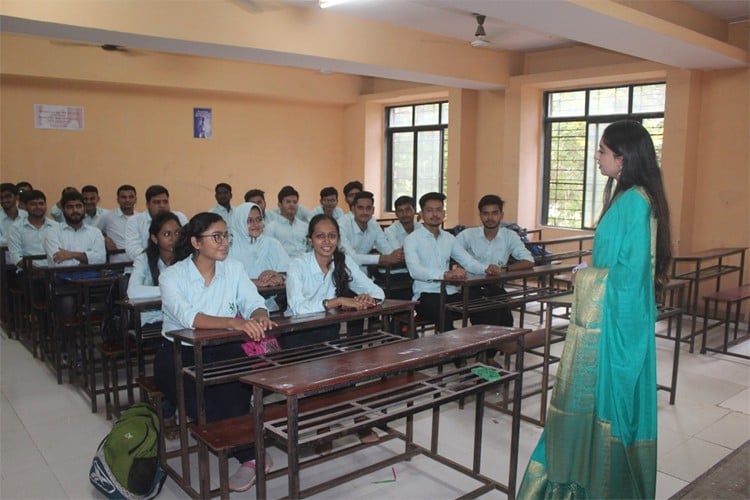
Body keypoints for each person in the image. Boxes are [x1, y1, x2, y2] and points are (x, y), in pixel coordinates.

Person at [518, 120, 671, 499]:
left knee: (602, 408)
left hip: (612, 329)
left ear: (623, 158)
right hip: (611, 318)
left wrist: (587, 279)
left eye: (602, 150)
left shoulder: (635, 202)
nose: (597, 156)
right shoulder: (632, 196)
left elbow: (629, 278)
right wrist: (591, 270)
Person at [154, 212, 276, 492]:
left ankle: (249, 457)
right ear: (196, 242)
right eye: (216, 237)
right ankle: (250, 453)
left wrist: (258, 315)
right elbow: (189, 318)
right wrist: (234, 322)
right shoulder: (172, 276)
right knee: (204, 403)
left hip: (222, 348)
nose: (224, 243)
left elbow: (253, 300)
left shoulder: (233, 268)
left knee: (234, 391)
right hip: (178, 352)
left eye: (226, 236)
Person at [403, 192, 502, 329]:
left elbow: (467, 261)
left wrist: (486, 268)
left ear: (443, 214)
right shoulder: (412, 239)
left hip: (451, 292)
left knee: (487, 308)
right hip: (426, 296)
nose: (435, 214)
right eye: (429, 210)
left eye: (438, 210)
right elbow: (415, 271)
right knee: (445, 316)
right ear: (421, 214)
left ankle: (483, 348)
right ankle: (454, 349)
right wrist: (444, 274)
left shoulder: (449, 238)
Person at [284, 213, 384, 348]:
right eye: (320, 236)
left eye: (332, 236)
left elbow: (377, 292)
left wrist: (369, 298)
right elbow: (298, 308)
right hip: (296, 332)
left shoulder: (343, 261)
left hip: (329, 329)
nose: (327, 241)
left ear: (338, 239)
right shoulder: (297, 265)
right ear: (310, 240)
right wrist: (337, 301)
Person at [456, 194, 534, 326]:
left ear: (501, 215)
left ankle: (498, 344)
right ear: (480, 215)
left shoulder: (509, 236)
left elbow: (529, 261)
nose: (490, 218)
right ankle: (489, 344)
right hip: (470, 288)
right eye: (485, 214)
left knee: (506, 320)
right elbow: (451, 254)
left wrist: (505, 269)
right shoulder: (468, 235)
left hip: (495, 287)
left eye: (494, 213)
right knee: (490, 316)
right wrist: (458, 266)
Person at [228, 202, 289, 313]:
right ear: (239, 222)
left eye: (259, 219)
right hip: (236, 309)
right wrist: (255, 282)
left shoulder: (272, 244)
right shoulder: (228, 247)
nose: (256, 224)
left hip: (270, 306)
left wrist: (278, 276)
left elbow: (288, 273)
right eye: (249, 221)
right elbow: (226, 282)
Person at [338, 191, 404, 273]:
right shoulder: (342, 226)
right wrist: (383, 258)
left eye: (368, 208)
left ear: (373, 210)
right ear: (353, 209)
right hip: (342, 273)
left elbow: (384, 246)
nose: (365, 212)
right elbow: (352, 258)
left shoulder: (373, 223)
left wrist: (396, 255)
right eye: (360, 208)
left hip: (363, 274)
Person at [124, 184, 188, 260]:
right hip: (146, 265)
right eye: (157, 202)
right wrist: (160, 258)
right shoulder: (135, 221)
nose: (162, 206)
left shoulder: (180, 217)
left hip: (178, 263)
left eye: (165, 202)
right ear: (147, 204)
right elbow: (132, 250)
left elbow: (187, 242)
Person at [44, 190, 106, 267]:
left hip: (93, 277)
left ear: (84, 208)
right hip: (62, 277)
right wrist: (87, 262)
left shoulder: (95, 232)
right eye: (70, 207)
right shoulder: (52, 232)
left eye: (79, 206)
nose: (75, 210)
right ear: (63, 210)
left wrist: (71, 255)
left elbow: (101, 259)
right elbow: (58, 262)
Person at [7, 190, 56, 270]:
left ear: (46, 205)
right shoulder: (16, 228)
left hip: (54, 271)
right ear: (26, 206)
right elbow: (16, 257)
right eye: (33, 204)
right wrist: (36, 271)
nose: (38, 207)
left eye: (41, 204)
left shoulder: (56, 226)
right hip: (27, 273)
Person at [97, 184, 138, 263]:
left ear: (135, 199)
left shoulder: (140, 218)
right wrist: (105, 239)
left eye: (131, 197)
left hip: (137, 264)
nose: (127, 200)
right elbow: (94, 232)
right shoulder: (107, 216)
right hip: (116, 265)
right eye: (124, 197)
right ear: (118, 200)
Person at [265, 185, 309, 258]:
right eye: (288, 202)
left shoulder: (305, 227)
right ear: (279, 204)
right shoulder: (271, 228)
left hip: (305, 265)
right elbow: (268, 252)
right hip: (283, 267)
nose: (292, 204)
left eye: (295, 202)